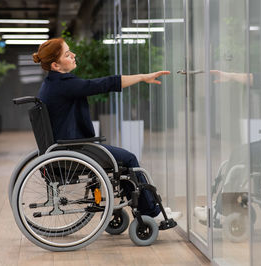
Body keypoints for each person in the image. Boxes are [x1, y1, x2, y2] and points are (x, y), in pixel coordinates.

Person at [32, 37, 181, 223]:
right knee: (128, 158)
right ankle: (152, 213)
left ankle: (147, 208)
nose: (73, 55)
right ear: (55, 65)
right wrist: (143, 77)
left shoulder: (52, 84)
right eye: (68, 54)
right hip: (73, 149)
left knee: (123, 162)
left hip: (66, 148)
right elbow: (105, 83)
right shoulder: (64, 85)